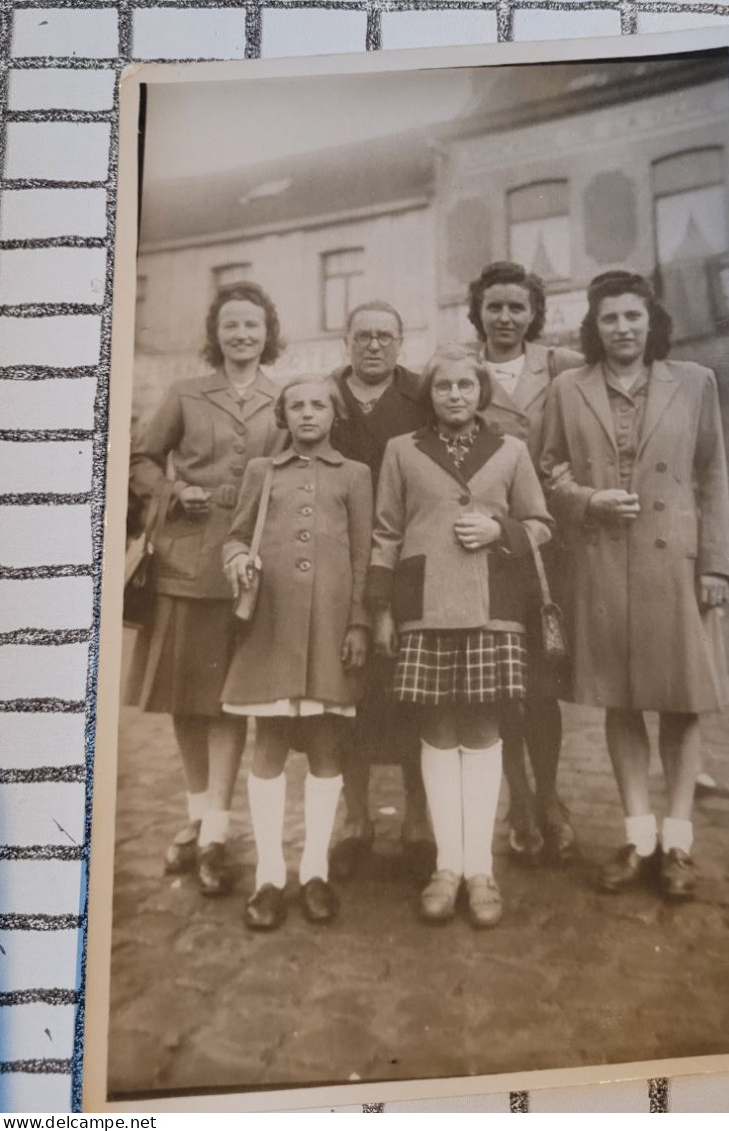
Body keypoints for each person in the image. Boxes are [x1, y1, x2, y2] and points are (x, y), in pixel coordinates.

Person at [540, 271, 729, 900]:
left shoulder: (695, 383)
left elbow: (712, 479)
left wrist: (714, 566)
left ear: (652, 322)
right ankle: (638, 837)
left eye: (633, 317)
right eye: (609, 319)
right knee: (621, 702)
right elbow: (547, 473)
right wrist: (588, 499)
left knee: (681, 702)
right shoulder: (570, 389)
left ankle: (678, 843)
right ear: (594, 329)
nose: (622, 328)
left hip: (676, 566)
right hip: (602, 565)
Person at [368, 345, 552, 928]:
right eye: (443, 386)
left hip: (491, 606)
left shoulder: (511, 450)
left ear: (481, 392)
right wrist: (380, 610)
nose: (454, 396)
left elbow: (541, 524)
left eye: (465, 386)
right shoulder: (402, 450)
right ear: (431, 394)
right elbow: (385, 533)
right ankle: (446, 866)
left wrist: (500, 528)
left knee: (483, 729)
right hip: (422, 606)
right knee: (438, 731)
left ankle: (481, 870)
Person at [127, 281, 285, 895]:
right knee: (185, 698)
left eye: (252, 325)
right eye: (230, 326)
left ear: (269, 333)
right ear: (214, 334)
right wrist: (172, 492)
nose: (242, 335)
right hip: (187, 561)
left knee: (227, 698)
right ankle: (198, 817)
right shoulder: (186, 394)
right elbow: (142, 459)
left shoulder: (283, 398)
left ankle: (218, 829)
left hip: (248, 565)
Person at [221, 376, 373, 930]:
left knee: (327, 748)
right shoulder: (263, 471)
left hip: (331, 630)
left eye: (319, 405)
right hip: (271, 626)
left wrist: (357, 621)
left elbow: (361, 556)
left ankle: (315, 870)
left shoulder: (355, 476)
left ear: (335, 414)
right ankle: (268, 874)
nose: (308, 414)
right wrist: (237, 560)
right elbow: (236, 536)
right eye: (297, 406)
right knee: (269, 747)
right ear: (283, 415)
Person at [466, 261, 583, 865]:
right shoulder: (461, 370)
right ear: (478, 313)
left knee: (541, 684)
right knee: (497, 683)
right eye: (495, 307)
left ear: (535, 312)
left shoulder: (560, 367)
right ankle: (517, 800)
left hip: (542, 543)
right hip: (481, 543)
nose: (506, 318)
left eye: (517, 307)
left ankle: (551, 796)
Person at [325, 301, 435, 883]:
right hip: (338, 560)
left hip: (407, 561)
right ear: (346, 340)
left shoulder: (422, 395)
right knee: (347, 700)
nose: (374, 346)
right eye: (363, 335)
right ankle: (357, 819)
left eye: (385, 337)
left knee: (414, 694)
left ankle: (419, 821)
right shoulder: (324, 396)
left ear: (400, 341)